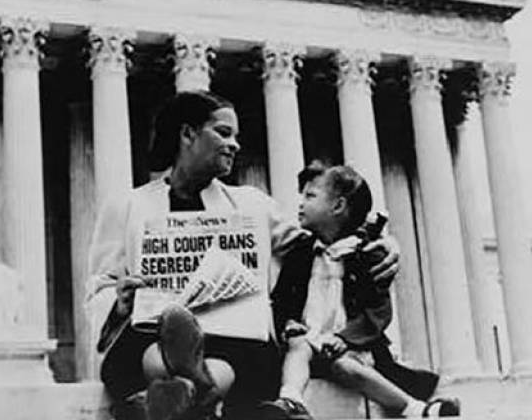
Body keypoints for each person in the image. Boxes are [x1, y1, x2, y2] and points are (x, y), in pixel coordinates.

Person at [86, 91, 402, 420]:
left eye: (236, 136)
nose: (235, 144)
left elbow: (317, 245)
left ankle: (178, 393)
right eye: (223, 133)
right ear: (188, 134)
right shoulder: (127, 206)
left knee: (211, 357)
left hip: (233, 340)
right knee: (158, 348)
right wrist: (119, 300)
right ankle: (193, 385)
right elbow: (99, 287)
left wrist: (380, 241)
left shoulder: (253, 205)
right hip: (150, 333)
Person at [261, 163, 460, 419]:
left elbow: (377, 312)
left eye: (310, 196)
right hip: (308, 339)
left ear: (338, 206)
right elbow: (281, 298)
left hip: (353, 345)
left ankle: (415, 408)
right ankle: (291, 400)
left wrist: (345, 338)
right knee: (298, 348)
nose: (300, 204)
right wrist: (288, 324)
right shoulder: (300, 251)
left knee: (346, 367)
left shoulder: (368, 254)